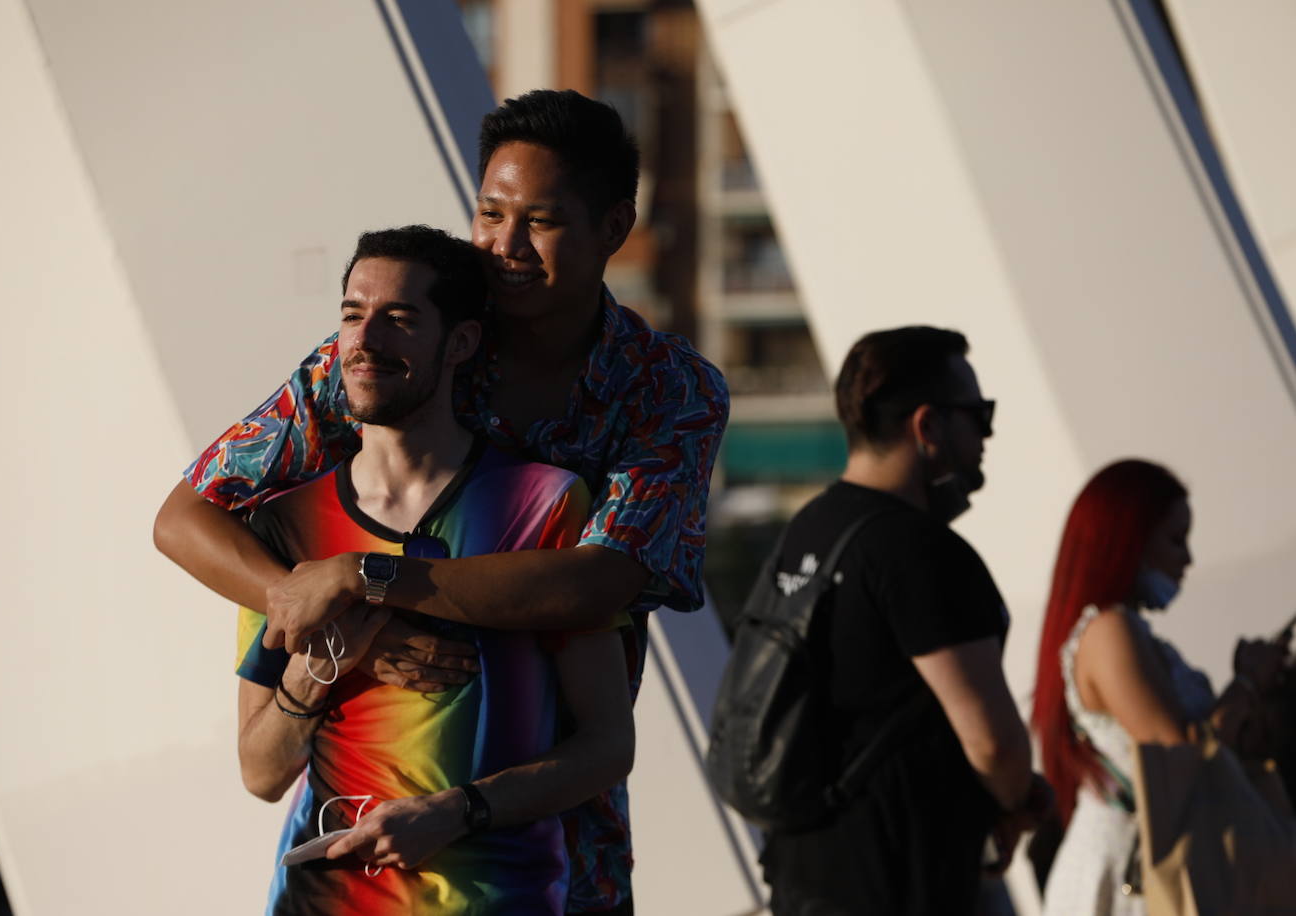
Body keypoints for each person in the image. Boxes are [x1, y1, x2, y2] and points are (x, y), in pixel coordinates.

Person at [154, 89, 728, 914]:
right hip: (365, 817)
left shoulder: (670, 390)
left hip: (550, 809)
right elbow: (186, 517)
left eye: (542, 220)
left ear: (613, 228)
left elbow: (601, 581)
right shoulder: (405, 339)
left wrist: (369, 583)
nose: (505, 246)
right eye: (490, 213)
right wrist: (326, 622)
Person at [235, 225, 633, 914]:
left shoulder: (545, 503)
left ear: (461, 344)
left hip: (498, 897)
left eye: (399, 319)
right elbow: (260, 773)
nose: (366, 340)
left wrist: (459, 811)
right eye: (353, 314)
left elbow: (605, 747)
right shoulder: (284, 524)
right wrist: (317, 669)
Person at [758, 326, 1048, 916]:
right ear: (928, 426)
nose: (986, 436)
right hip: (901, 876)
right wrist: (1021, 798)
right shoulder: (920, 552)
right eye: (978, 415)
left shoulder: (810, 529)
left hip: (805, 870)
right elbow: (992, 742)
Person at [1031, 459, 1290, 915]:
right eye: (1175, 540)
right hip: (1127, 878)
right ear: (1128, 540)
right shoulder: (1108, 630)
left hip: (1153, 866)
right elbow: (1177, 753)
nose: (1187, 559)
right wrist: (1247, 682)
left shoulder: (1129, 632)